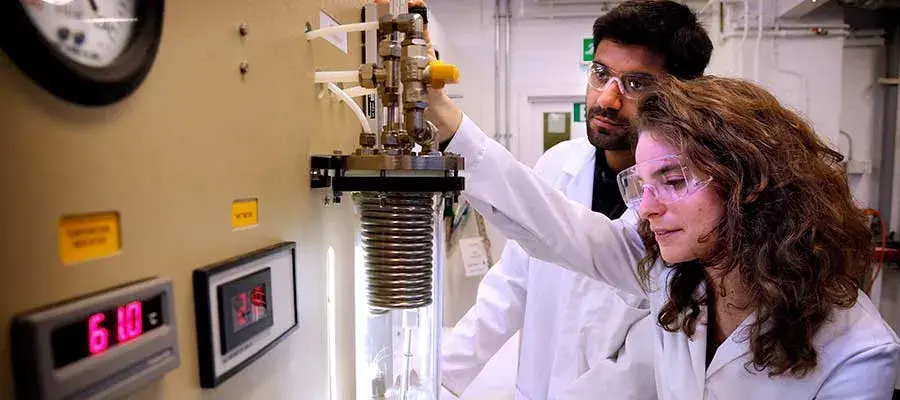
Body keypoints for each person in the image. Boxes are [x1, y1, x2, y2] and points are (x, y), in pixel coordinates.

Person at [429, 73, 900, 398]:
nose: (648, 208)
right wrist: (448, 123)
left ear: (750, 182)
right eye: (642, 184)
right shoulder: (673, 273)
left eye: (673, 180)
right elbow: (560, 229)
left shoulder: (856, 353)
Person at [439, 1, 713, 399]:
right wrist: (438, 377)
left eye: (635, 84)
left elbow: (640, 367)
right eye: (601, 74)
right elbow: (509, 286)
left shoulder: (686, 212)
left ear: (680, 96)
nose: (607, 99)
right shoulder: (558, 164)